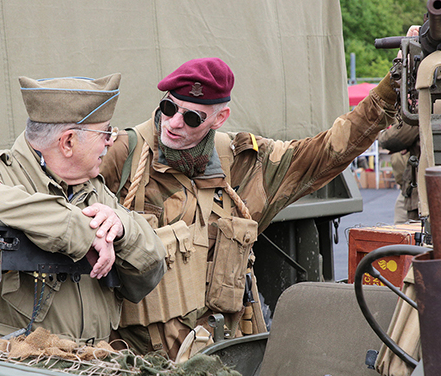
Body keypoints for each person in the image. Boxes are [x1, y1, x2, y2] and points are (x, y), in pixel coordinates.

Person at [100, 57, 401, 358]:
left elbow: (327, 151)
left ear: (220, 118)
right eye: (168, 108)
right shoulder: (121, 155)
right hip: (137, 359)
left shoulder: (244, 164)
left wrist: (390, 89)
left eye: (193, 118)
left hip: (224, 353)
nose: (174, 122)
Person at [0, 74, 167, 343]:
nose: (111, 141)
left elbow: (150, 271)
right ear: (68, 142)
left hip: (94, 364)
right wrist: (79, 229)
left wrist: (121, 229)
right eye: (106, 132)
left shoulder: (92, 188)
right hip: (15, 366)